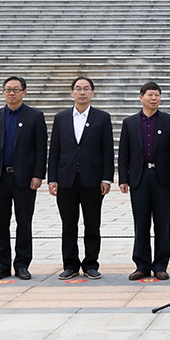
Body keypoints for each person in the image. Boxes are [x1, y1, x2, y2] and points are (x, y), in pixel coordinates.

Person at [0, 76, 48, 281]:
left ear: (24, 92)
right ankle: (2, 265)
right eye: (8, 89)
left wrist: (38, 175)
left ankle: (22, 265)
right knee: (0, 224)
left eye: (16, 89)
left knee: (24, 223)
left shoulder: (35, 116)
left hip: (24, 180)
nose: (12, 93)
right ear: (3, 92)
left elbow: (41, 148)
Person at [48, 76, 114, 280]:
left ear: (93, 93)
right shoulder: (61, 118)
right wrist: (52, 178)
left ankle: (91, 264)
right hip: (66, 179)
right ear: (72, 93)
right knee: (68, 224)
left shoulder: (102, 118)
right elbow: (55, 150)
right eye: (78, 88)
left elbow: (107, 151)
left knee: (92, 223)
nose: (82, 92)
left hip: (92, 179)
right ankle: (70, 264)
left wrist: (107, 178)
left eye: (86, 89)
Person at [118, 81, 170, 281]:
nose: (153, 98)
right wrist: (123, 178)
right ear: (141, 98)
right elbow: (123, 153)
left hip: (162, 178)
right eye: (150, 95)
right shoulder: (129, 123)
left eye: (157, 95)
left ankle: (161, 265)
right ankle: (142, 264)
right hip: (139, 177)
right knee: (141, 222)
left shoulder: (169, 121)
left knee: (163, 222)